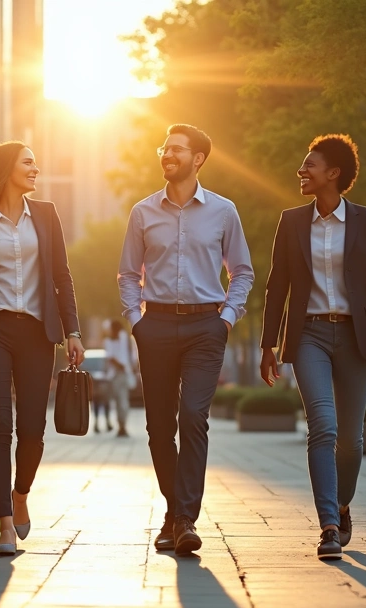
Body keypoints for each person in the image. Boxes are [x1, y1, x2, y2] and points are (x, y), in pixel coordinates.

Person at [258, 134, 366, 561]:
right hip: (309, 336)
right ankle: (329, 526)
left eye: (310, 165)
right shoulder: (291, 222)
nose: (301, 171)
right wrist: (268, 344)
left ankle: (341, 503)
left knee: (351, 440)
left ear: (333, 173)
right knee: (323, 426)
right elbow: (277, 286)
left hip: (357, 337)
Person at [118, 124, 254, 556]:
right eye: (164, 148)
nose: (167, 154)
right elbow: (128, 273)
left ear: (198, 159)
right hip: (155, 325)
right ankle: (175, 514)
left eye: (176, 149)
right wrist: (136, 320)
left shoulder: (224, 211)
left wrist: (226, 319)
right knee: (159, 427)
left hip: (204, 328)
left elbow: (242, 271)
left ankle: (184, 519)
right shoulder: (142, 212)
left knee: (193, 415)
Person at [0, 141, 84, 556]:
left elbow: (62, 276)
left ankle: (20, 493)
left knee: (32, 431)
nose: (36, 169)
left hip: (38, 334)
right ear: (7, 169)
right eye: (28, 162)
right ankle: (5, 525)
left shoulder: (46, 214)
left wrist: (73, 331)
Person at [102, 319, 136, 437]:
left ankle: (123, 425)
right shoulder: (108, 341)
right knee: (118, 401)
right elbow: (110, 358)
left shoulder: (124, 338)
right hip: (114, 374)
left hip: (123, 374)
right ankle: (121, 425)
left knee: (122, 401)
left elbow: (130, 354)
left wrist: (128, 366)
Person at [93, 319, 113, 433]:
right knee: (99, 402)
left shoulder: (107, 354)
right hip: (98, 382)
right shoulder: (106, 346)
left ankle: (106, 422)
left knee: (104, 402)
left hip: (104, 381)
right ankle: (98, 423)